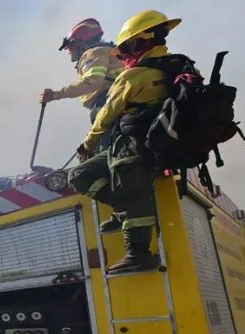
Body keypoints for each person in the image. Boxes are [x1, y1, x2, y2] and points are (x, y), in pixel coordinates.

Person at [66, 10, 186, 274]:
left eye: (126, 49)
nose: (122, 56)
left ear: (136, 42)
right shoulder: (182, 66)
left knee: (89, 177)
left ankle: (137, 251)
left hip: (136, 143)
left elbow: (107, 115)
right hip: (170, 142)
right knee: (129, 183)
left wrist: (87, 145)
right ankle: (125, 213)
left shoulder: (134, 76)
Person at [41, 18, 125, 135]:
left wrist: (55, 94)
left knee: (104, 145)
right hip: (119, 100)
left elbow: (92, 82)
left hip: (108, 103)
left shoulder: (93, 53)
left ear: (80, 42)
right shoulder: (107, 51)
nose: (68, 50)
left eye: (70, 46)